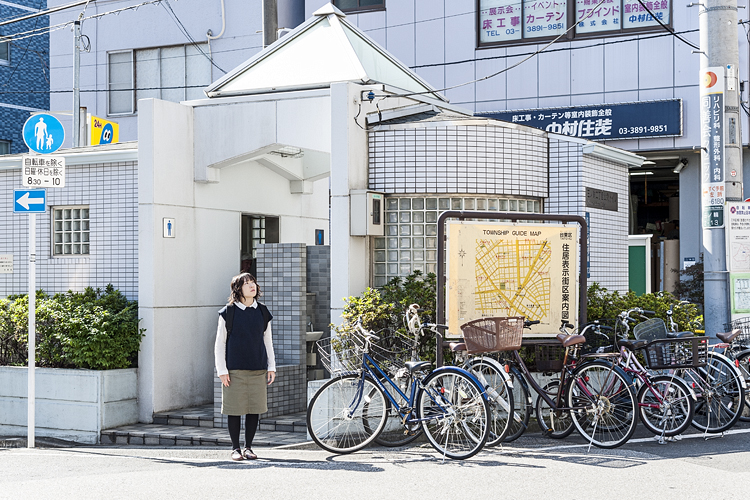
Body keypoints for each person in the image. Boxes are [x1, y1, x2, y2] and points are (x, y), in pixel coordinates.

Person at [214, 273, 276, 461]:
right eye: (247, 283)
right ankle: (235, 449)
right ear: (237, 289)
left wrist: (271, 366)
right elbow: (219, 343)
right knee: (234, 409)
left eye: (253, 283)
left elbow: (268, 341)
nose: (252, 286)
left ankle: (248, 447)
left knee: (253, 409)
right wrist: (222, 370)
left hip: (258, 368)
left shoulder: (263, 312)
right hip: (234, 370)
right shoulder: (228, 312)